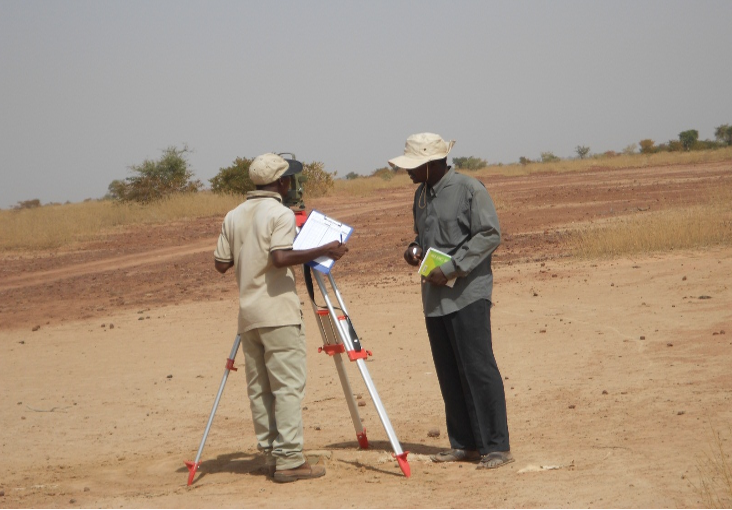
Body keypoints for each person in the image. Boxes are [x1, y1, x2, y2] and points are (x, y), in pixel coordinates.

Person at [213, 152, 348, 483]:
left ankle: (272, 455)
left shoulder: (233, 216)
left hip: (249, 315)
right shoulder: (281, 214)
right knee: (287, 386)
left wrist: (248, 252)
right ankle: (290, 459)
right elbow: (280, 257)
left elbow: (221, 263)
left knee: (260, 388)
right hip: (278, 313)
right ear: (283, 182)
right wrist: (323, 248)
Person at [389, 133, 513, 470]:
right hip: (435, 298)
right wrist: (414, 249)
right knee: (449, 372)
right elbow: (426, 236)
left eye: (413, 166)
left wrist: (453, 267)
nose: (408, 172)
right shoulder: (421, 195)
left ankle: (496, 446)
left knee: (478, 368)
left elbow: (489, 234)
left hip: (467, 295)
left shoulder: (470, 189)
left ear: (431, 163)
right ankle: (465, 444)